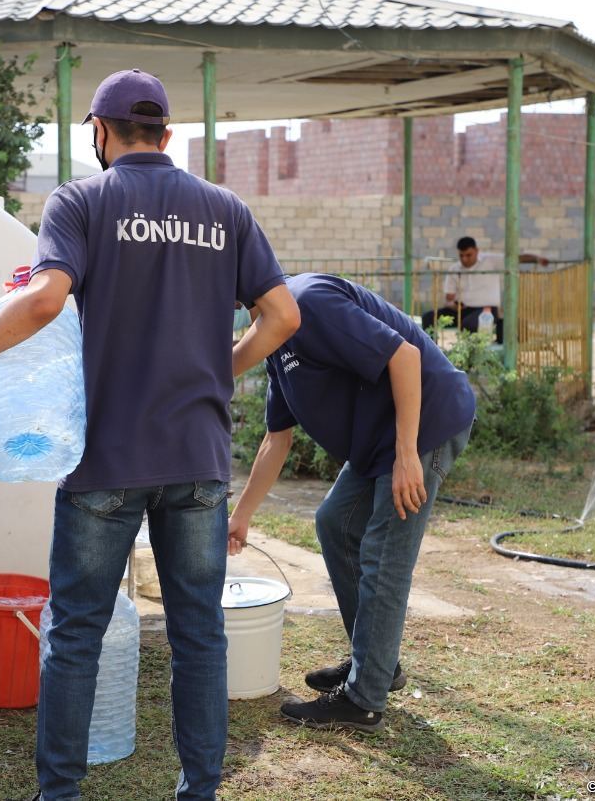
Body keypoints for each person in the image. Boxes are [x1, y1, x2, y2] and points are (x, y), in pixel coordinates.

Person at [0, 69, 300, 801]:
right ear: (166, 136)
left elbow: (45, 298)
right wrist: (221, 367)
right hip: (197, 457)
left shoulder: (81, 200)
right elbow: (284, 316)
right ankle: (200, 788)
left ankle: (61, 792)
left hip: (106, 458)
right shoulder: (225, 209)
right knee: (198, 633)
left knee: (75, 633)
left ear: (100, 135)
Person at [228, 273, 475, 733]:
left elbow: (404, 357)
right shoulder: (276, 344)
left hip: (424, 423)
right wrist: (240, 517)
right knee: (335, 522)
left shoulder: (309, 302)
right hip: (378, 440)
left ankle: (364, 699)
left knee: (384, 552)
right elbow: (275, 439)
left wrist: (407, 455)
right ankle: (379, 664)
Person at [421, 236, 549, 341]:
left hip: (486, 310)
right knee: (428, 317)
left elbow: (517, 258)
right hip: (462, 309)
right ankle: (431, 353)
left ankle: (471, 358)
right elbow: (449, 298)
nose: (464, 259)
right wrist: (452, 305)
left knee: (469, 324)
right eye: (461, 255)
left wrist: (537, 259)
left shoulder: (491, 261)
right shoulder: (455, 269)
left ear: (476, 251)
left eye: (468, 255)